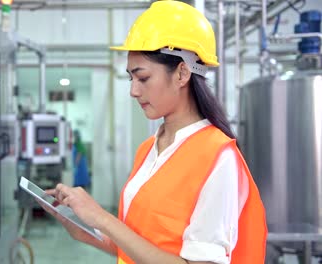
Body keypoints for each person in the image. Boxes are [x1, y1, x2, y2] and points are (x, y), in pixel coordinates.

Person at [41, 1, 268, 263]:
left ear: (182, 73)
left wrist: (102, 217)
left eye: (143, 78)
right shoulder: (149, 148)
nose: (133, 91)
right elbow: (138, 245)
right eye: (131, 78)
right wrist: (82, 226)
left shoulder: (218, 157)